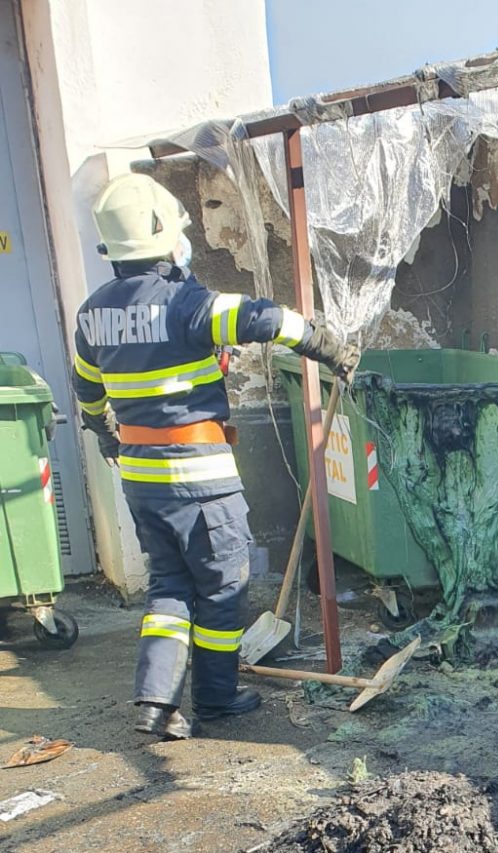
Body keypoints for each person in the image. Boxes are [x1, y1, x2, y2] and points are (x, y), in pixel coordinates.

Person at [71, 173, 359, 739]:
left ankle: (156, 702)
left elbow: (87, 392)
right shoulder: (186, 303)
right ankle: (217, 698)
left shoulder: (90, 315)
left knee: (169, 587)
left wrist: (107, 435)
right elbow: (264, 318)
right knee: (223, 587)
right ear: (162, 234)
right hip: (200, 479)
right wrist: (325, 347)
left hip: (142, 481)